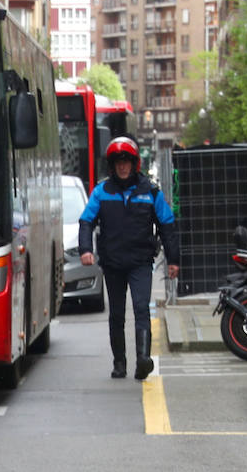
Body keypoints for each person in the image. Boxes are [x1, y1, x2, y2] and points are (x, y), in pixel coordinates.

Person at [77, 136, 180, 380]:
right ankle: (119, 363)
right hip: (112, 263)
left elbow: (167, 225)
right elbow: (86, 221)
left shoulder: (150, 191)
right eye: (118, 162)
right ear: (112, 166)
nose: (122, 166)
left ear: (134, 164)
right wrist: (85, 249)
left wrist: (173, 260)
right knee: (116, 314)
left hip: (140, 261)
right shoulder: (101, 192)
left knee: (142, 308)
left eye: (126, 162)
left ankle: (143, 360)